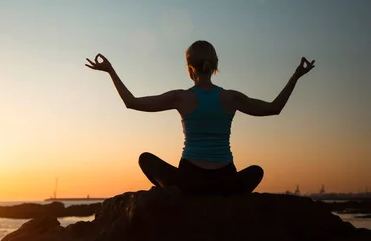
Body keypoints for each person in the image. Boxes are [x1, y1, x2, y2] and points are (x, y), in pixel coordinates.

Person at [85, 40, 315, 196]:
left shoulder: (180, 97)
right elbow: (274, 107)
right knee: (256, 171)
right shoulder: (230, 97)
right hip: (226, 182)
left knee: (145, 158)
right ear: (214, 66)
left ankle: (176, 196)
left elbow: (131, 102)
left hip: (189, 182)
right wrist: (296, 76)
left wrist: (110, 70)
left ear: (190, 68)